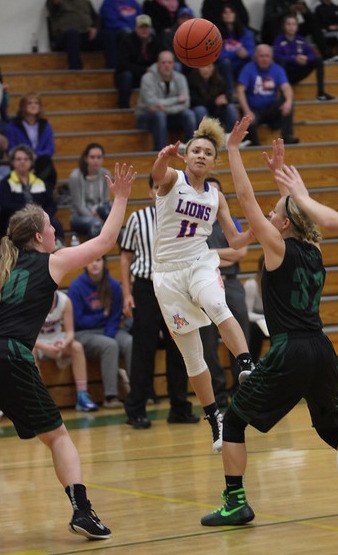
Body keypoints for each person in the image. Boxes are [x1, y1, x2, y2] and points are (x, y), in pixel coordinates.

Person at [201, 115, 338, 527]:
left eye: (273, 210)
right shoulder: (313, 250)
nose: (267, 212)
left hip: (290, 350)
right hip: (321, 347)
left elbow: (244, 201)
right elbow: (300, 211)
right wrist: (283, 180)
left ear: (281, 224)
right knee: (331, 426)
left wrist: (232, 152)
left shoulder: (277, 247)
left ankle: (235, 502)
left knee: (235, 420)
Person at [0, 162, 136, 538]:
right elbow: (104, 243)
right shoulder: (52, 262)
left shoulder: (4, 266)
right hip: (12, 356)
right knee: (58, 437)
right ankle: (82, 511)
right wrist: (121, 198)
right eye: (49, 225)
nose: (54, 230)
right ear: (39, 238)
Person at [151, 116, 255, 453]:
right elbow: (156, 175)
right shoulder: (172, 179)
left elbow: (237, 241)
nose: (200, 155)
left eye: (207, 153)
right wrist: (164, 156)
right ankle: (214, 417)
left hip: (199, 262)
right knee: (192, 356)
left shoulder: (216, 196)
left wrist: (258, 228)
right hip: (166, 275)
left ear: (213, 161)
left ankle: (247, 366)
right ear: (186, 156)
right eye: (195, 150)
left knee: (216, 303)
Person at [120, 175, 200, 429]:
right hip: (145, 287)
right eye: (155, 187)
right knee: (144, 349)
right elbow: (125, 258)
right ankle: (136, 409)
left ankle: (179, 407)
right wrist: (126, 293)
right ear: (149, 191)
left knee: (179, 347)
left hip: (174, 286)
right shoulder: (137, 218)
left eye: (162, 187)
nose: (158, 192)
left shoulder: (181, 216)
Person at [199, 176, 250, 407]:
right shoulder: (198, 223)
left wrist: (213, 255)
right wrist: (221, 255)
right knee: (207, 343)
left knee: (241, 336)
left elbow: (240, 253)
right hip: (204, 284)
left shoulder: (232, 221)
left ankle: (244, 391)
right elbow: (197, 255)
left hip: (230, 283)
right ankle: (218, 395)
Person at [67, 256, 132, 409]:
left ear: (104, 262)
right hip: (84, 333)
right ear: (85, 264)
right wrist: (101, 316)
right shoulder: (76, 287)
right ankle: (111, 396)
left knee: (129, 341)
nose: (94, 264)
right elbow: (77, 321)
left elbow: (115, 316)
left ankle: (137, 392)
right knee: (109, 345)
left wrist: (108, 332)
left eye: (98, 260)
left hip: (109, 330)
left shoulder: (114, 285)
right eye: (90, 260)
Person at [33, 290, 98, 412]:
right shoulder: (31, 301)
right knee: (29, 352)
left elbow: (70, 332)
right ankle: (39, 399)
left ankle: (82, 395)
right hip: (38, 342)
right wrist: (46, 347)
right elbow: (26, 336)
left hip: (57, 340)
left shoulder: (64, 301)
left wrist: (64, 343)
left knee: (77, 347)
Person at [0, 144, 64, 245]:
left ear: (31, 161)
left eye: (26, 159)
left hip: (40, 219)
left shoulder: (40, 182)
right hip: (16, 221)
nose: (22, 162)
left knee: (55, 223)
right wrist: (29, 214)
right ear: (12, 162)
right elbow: (5, 206)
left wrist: (43, 216)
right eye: (19, 159)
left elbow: (52, 204)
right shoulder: (4, 184)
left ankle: (58, 249)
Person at [237, 44, 299, 146]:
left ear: (271, 57)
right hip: (253, 110)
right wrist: (247, 111)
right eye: (261, 56)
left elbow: (286, 87)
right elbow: (240, 90)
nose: (264, 59)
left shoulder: (277, 69)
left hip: (270, 110)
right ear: (256, 57)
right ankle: (255, 145)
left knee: (288, 102)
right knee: (246, 118)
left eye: (267, 56)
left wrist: (288, 102)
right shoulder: (248, 68)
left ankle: (287, 136)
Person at [135, 50, 197, 151]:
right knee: (159, 115)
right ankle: (160, 152)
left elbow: (186, 103)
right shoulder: (147, 78)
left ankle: (190, 149)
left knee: (189, 114)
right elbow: (151, 102)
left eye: (169, 62)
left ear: (174, 64)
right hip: (146, 116)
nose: (167, 66)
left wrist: (164, 108)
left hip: (169, 115)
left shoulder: (181, 78)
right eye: (163, 62)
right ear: (158, 64)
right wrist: (177, 100)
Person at [273, 15, 335, 102]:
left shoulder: (300, 39)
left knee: (318, 60)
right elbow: (276, 56)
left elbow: (312, 54)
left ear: (297, 27)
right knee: (281, 61)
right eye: (288, 24)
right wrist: (294, 58)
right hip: (286, 74)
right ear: (284, 26)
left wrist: (306, 58)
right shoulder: (279, 39)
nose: (291, 27)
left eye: (294, 24)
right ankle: (283, 95)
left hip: (299, 72)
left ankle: (321, 94)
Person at [5, 92, 57, 192]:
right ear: (23, 106)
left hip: (40, 161)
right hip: (20, 162)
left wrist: (34, 156)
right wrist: (27, 157)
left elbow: (50, 149)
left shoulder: (46, 125)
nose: (33, 105)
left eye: (36, 103)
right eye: (29, 103)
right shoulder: (13, 126)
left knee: (48, 165)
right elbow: (11, 149)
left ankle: (46, 195)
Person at [46, 0, 113, 69]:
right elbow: (52, 5)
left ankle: (112, 69)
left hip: (85, 35)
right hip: (65, 37)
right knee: (72, 34)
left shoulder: (85, 1)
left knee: (108, 35)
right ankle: (76, 70)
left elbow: (96, 18)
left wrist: (94, 28)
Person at [116, 14, 162, 109]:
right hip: (132, 75)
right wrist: (144, 70)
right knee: (126, 76)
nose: (144, 30)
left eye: (146, 27)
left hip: (150, 74)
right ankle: (123, 107)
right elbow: (124, 64)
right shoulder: (126, 41)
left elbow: (161, 59)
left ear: (150, 28)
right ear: (135, 28)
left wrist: (152, 69)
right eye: (141, 27)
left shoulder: (156, 42)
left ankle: (160, 105)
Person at [68, 143, 112, 240]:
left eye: (99, 157)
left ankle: (124, 251)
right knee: (96, 225)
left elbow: (106, 200)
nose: (96, 160)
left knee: (114, 224)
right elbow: (79, 205)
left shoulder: (106, 174)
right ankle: (94, 255)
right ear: (86, 158)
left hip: (99, 212)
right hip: (79, 216)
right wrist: (96, 218)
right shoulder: (75, 176)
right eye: (92, 157)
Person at [261, 0, 331, 59]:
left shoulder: (294, 1)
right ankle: (282, 57)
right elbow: (269, 18)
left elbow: (310, 19)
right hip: (277, 31)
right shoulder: (271, 1)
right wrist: (288, 10)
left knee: (313, 23)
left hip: (292, 30)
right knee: (273, 24)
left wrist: (306, 12)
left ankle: (326, 55)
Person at [215, 3, 256, 103]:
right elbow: (215, 55)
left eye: (231, 12)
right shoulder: (215, 33)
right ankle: (231, 93)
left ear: (235, 14)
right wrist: (235, 52)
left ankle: (249, 93)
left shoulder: (245, 32)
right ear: (221, 15)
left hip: (240, 65)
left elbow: (251, 51)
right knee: (225, 62)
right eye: (225, 12)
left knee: (250, 62)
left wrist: (246, 54)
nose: (228, 14)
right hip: (224, 67)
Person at [187, 63, 239, 135]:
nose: (205, 69)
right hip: (200, 111)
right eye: (202, 66)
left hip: (217, 110)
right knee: (200, 110)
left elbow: (228, 95)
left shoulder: (219, 79)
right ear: (198, 68)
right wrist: (214, 102)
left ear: (213, 68)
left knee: (231, 108)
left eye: (209, 66)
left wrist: (225, 99)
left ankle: (231, 137)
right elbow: (193, 101)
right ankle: (206, 139)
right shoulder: (192, 79)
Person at [99, 0, 143, 69]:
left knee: (151, 32)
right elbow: (110, 22)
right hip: (118, 30)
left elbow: (141, 17)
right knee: (126, 34)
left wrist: (138, 28)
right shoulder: (108, 3)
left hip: (135, 29)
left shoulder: (133, 2)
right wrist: (129, 29)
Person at [243, 254, 270, 363]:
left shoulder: (279, 284)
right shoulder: (252, 284)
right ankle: (252, 364)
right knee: (254, 328)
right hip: (257, 322)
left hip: (269, 321)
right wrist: (265, 318)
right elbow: (247, 313)